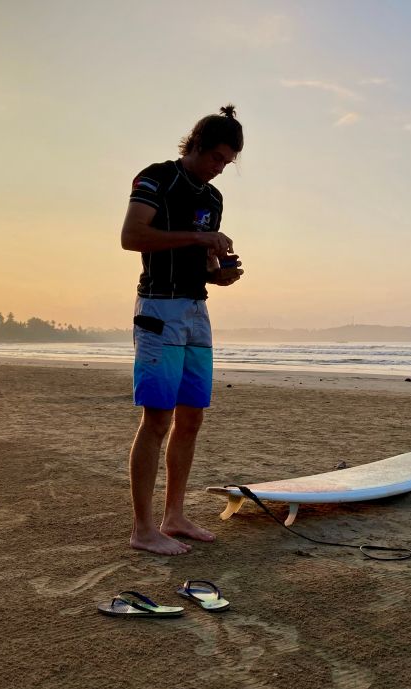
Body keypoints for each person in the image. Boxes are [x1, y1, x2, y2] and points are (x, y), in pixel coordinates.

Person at [120, 105, 245, 555]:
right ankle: (143, 529)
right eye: (215, 159)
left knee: (192, 416)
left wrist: (219, 274)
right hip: (159, 309)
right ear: (193, 145)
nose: (218, 170)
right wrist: (199, 239)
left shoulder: (212, 199)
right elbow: (132, 236)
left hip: (196, 310)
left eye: (226, 164)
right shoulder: (158, 177)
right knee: (157, 419)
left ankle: (174, 516)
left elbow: (204, 265)